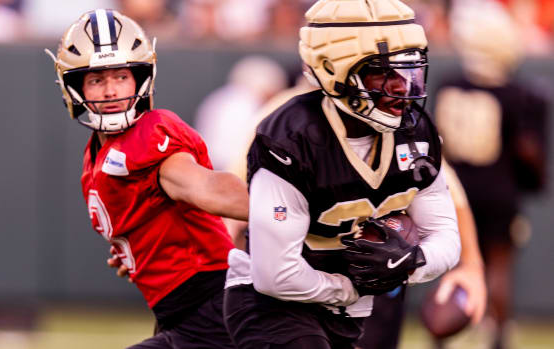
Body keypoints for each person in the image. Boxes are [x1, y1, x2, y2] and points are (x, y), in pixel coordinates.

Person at [223, 0, 461, 347]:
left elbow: (444, 237)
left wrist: (410, 261)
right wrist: (351, 288)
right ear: (335, 70)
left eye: (407, 70)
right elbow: (275, 275)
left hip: (349, 310)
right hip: (270, 305)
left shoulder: (416, 134)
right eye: (381, 71)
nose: (400, 86)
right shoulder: (293, 138)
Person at [45, 9, 248, 349]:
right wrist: (135, 250)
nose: (111, 91)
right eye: (97, 80)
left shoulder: (149, 134)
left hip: (213, 311)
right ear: (75, 87)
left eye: (120, 77)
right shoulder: (96, 157)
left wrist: (287, 211)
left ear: (140, 79)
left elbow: (205, 187)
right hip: (185, 314)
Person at [434, 2, 549, 348]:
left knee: (455, 262)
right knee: (497, 263)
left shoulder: (450, 84)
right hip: (499, 188)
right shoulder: (516, 94)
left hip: (456, 186)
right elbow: (526, 151)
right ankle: (498, 335)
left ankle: (444, 333)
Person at [356, 160, 487, 349]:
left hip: (379, 262)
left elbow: (445, 185)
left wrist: (471, 265)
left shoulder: (409, 138)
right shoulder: (307, 141)